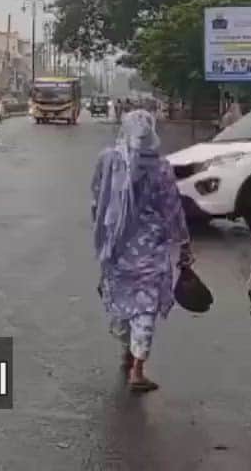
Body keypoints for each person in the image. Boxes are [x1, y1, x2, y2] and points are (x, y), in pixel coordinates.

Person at [91, 110, 194, 393]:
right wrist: (184, 243)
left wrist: (103, 234)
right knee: (145, 307)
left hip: (119, 249)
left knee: (123, 302)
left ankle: (128, 349)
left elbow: (97, 199)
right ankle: (137, 368)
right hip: (150, 250)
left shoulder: (110, 161)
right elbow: (172, 210)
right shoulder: (161, 168)